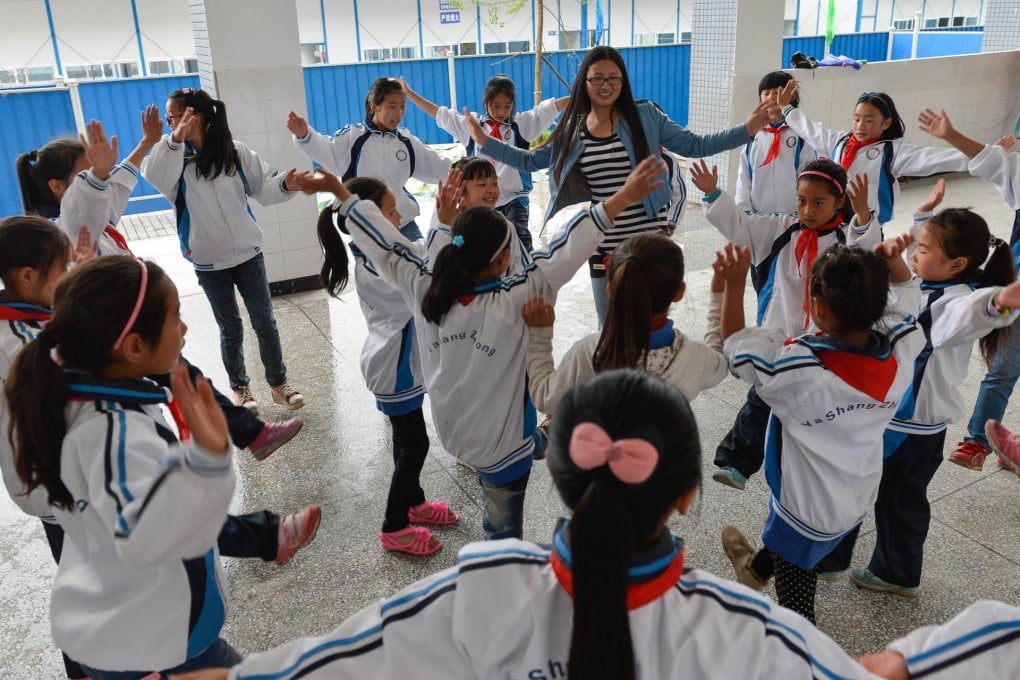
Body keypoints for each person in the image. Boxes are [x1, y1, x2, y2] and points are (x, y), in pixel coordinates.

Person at [168, 371, 1020, 680]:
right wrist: (907, 657)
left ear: (558, 471)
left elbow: (328, 664)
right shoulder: (747, 631)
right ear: (687, 495)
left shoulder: (482, 589)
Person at [294, 156, 666, 541]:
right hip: (504, 446)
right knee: (501, 529)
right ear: (505, 259)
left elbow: (387, 247)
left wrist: (341, 191)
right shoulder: (516, 297)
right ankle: (505, 553)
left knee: (510, 489)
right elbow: (565, 250)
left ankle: (550, 438)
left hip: (455, 436)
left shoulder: (423, 290)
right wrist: (623, 197)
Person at [4, 256, 240, 677]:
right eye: (175, 319)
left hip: (148, 634)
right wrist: (209, 462)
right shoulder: (114, 431)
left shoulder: (89, 403)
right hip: (159, 648)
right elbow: (149, 537)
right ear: (133, 347)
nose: (184, 329)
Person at [15, 119, 304, 461]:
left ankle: (249, 435)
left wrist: (143, 144)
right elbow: (84, 206)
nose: (100, 179)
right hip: (122, 340)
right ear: (58, 187)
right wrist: (96, 177)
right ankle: (220, 448)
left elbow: (118, 184)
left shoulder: (97, 217)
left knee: (185, 377)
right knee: (174, 387)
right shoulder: (72, 229)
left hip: (135, 332)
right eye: (86, 175)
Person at [464, 45, 768, 324]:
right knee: (608, 327)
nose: (605, 85)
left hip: (648, 242)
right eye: (597, 79)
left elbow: (696, 145)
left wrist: (747, 130)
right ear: (584, 83)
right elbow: (530, 161)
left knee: (649, 325)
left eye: (613, 78)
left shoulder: (646, 116)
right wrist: (484, 141)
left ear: (623, 81)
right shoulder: (573, 129)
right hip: (603, 243)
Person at [715, 235, 924, 623]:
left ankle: (799, 652)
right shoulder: (903, 347)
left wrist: (732, 284)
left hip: (805, 504)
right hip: (856, 492)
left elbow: (733, 346)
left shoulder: (800, 370)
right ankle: (757, 568)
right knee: (798, 547)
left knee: (796, 606)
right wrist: (894, 263)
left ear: (818, 308)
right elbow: (908, 295)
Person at [845, 202, 1020, 598]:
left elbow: (978, 312)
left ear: (957, 264)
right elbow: (902, 290)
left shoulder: (956, 302)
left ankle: (896, 573)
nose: (914, 254)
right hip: (890, 417)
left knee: (899, 501)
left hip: (915, 427)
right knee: (860, 485)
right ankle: (833, 556)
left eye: (922, 249)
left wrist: (1001, 301)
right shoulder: (928, 286)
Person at [689, 157, 880, 490]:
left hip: (823, 340)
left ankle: (804, 465)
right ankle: (737, 461)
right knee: (765, 391)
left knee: (810, 405)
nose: (807, 210)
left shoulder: (844, 241)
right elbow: (740, 224)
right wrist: (712, 194)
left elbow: (870, 257)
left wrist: (863, 217)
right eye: (802, 201)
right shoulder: (780, 230)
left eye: (819, 203)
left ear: (839, 202)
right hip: (776, 333)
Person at [315, 176, 456, 556]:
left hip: (398, 363)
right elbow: (425, 278)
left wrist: (450, 232)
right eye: (391, 211)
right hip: (395, 370)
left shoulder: (376, 257)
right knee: (416, 445)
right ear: (369, 220)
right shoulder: (381, 267)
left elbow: (421, 252)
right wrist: (444, 226)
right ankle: (394, 526)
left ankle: (415, 503)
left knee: (403, 440)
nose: (399, 215)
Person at [143, 87, 306, 414]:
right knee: (230, 327)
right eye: (170, 119)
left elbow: (264, 187)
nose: (169, 123)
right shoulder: (174, 158)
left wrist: (286, 185)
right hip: (208, 260)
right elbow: (155, 176)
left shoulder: (234, 152)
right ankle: (241, 389)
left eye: (174, 116)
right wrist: (173, 139)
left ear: (196, 117)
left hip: (249, 254)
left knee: (265, 322)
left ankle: (278, 383)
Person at [522, 231, 727, 416]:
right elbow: (721, 361)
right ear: (679, 292)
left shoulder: (589, 352)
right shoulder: (695, 357)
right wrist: (720, 295)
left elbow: (545, 398)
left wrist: (539, 337)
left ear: (610, 290)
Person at [916, 107, 1020, 470]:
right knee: (1003, 368)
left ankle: (1014, 450)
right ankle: (978, 441)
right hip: (1013, 295)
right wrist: (951, 134)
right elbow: (995, 162)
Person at [401, 74, 567, 251]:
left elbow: (551, 107)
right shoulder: (472, 125)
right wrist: (409, 94)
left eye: (507, 106)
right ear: (485, 102)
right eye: (496, 106)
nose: (501, 112)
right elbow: (439, 114)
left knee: (520, 238)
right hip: (478, 198)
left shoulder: (522, 125)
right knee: (473, 240)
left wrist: (584, 98)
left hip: (514, 197)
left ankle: (525, 272)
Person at [777, 81, 967, 225]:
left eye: (869, 120)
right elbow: (809, 129)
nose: (860, 126)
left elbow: (935, 159)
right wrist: (787, 109)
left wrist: (985, 156)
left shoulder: (892, 151)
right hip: (833, 222)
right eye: (857, 119)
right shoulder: (840, 142)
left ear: (886, 123)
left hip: (870, 225)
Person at [287, 76, 451, 242]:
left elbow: (439, 167)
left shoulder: (406, 141)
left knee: (421, 264)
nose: (399, 113)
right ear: (375, 106)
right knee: (374, 268)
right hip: (365, 225)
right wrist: (305, 135)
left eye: (403, 106)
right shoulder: (353, 137)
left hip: (402, 223)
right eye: (392, 106)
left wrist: (467, 171)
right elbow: (326, 149)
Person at [735, 71, 817, 219]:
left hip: (792, 218)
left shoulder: (802, 134)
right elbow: (744, 177)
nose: (771, 97)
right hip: (758, 217)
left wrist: (803, 213)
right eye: (766, 93)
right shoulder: (753, 135)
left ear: (791, 95)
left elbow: (808, 178)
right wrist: (744, 212)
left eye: (777, 92)